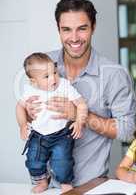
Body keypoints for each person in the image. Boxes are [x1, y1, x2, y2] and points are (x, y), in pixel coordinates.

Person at [24, 0, 136, 187]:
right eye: (66, 29)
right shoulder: (43, 64)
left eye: (82, 28)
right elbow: (28, 115)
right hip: (46, 187)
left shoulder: (114, 75)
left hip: (90, 186)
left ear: (93, 26)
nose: (74, 38)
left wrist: (79, 115)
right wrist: (27, 112)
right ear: (58, 28)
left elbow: (128, 131)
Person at [16, 52, 88, 193]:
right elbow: (19, 107)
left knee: (62, 161)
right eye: (46, 76)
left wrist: (79, 122)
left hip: (61, 135)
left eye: (54, 72)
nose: (54, 78)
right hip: (38, 135)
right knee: (33, 161)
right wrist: (23, 125)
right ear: (34, 81)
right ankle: (43, 181)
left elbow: (81, 104)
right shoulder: (29, 90)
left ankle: (65, 182)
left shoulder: (64, 86)